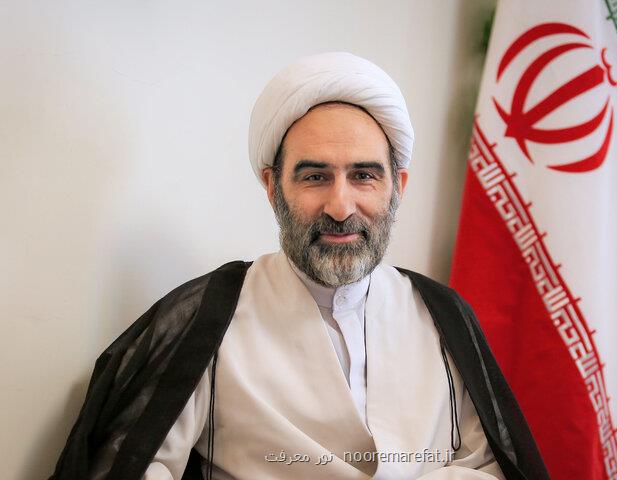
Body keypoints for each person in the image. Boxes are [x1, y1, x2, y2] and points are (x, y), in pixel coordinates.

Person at [50, 52, 549, 480]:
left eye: (364, 176)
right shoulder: (209, 316)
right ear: (273, 187)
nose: (341, 206)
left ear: (397, 186)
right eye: (315, 177)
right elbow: (137, 465)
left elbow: (490, 465)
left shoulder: (441, 314)